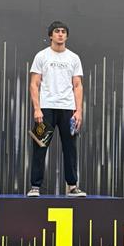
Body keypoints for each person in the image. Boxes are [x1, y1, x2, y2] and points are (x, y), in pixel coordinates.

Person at [27, 21, 87, 197]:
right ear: (50, 36)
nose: (60, 34)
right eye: (56, 31)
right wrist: (37, 109)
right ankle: (35, 186)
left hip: (68, 109)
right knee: (40, 146)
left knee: (70, 148)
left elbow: (78, 85)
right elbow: (34, 84)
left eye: (63, 31)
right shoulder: (41, 56)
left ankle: (72, 186)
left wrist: (78, 111)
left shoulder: (74, 58)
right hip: (46, 108)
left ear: (66, 36)